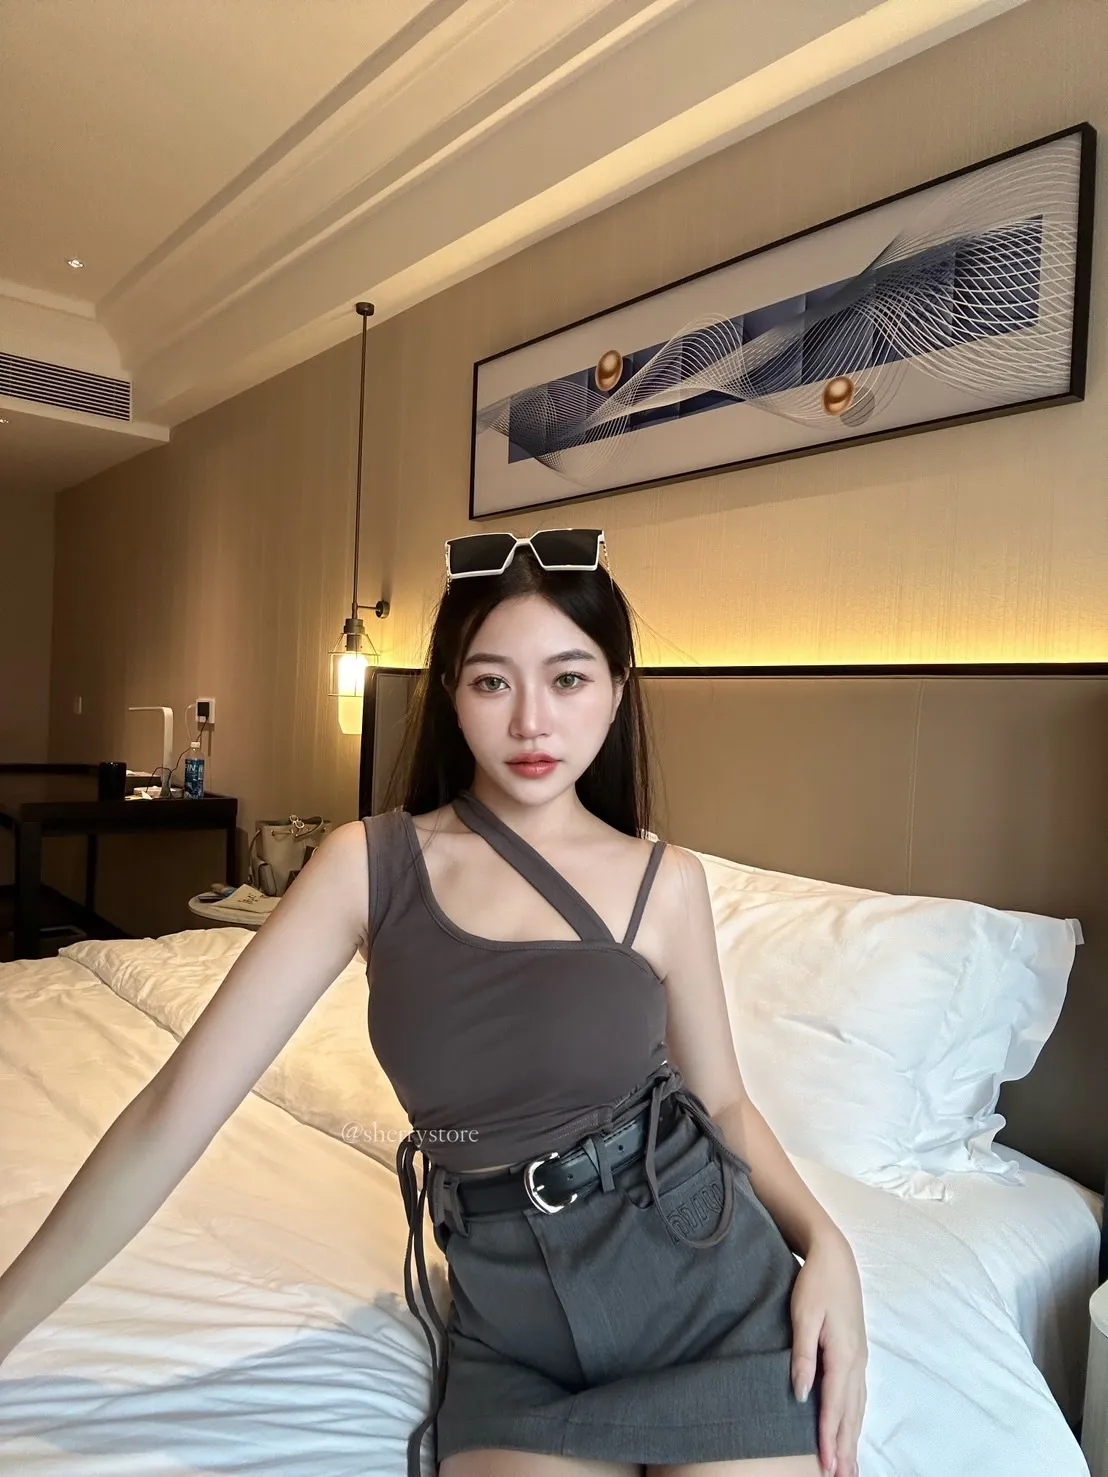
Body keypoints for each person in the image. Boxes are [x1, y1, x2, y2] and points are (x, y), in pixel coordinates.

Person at [0, 527, 867, 1477]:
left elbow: (724, 1103)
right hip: (515, 1330)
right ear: (451, 691)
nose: (532, 722)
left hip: (705, 1289)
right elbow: (173, 1112)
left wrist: (828, 1244)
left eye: (569, 679)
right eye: (493, 681)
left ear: (618, 690)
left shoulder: (667, 882)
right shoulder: (368, 865)